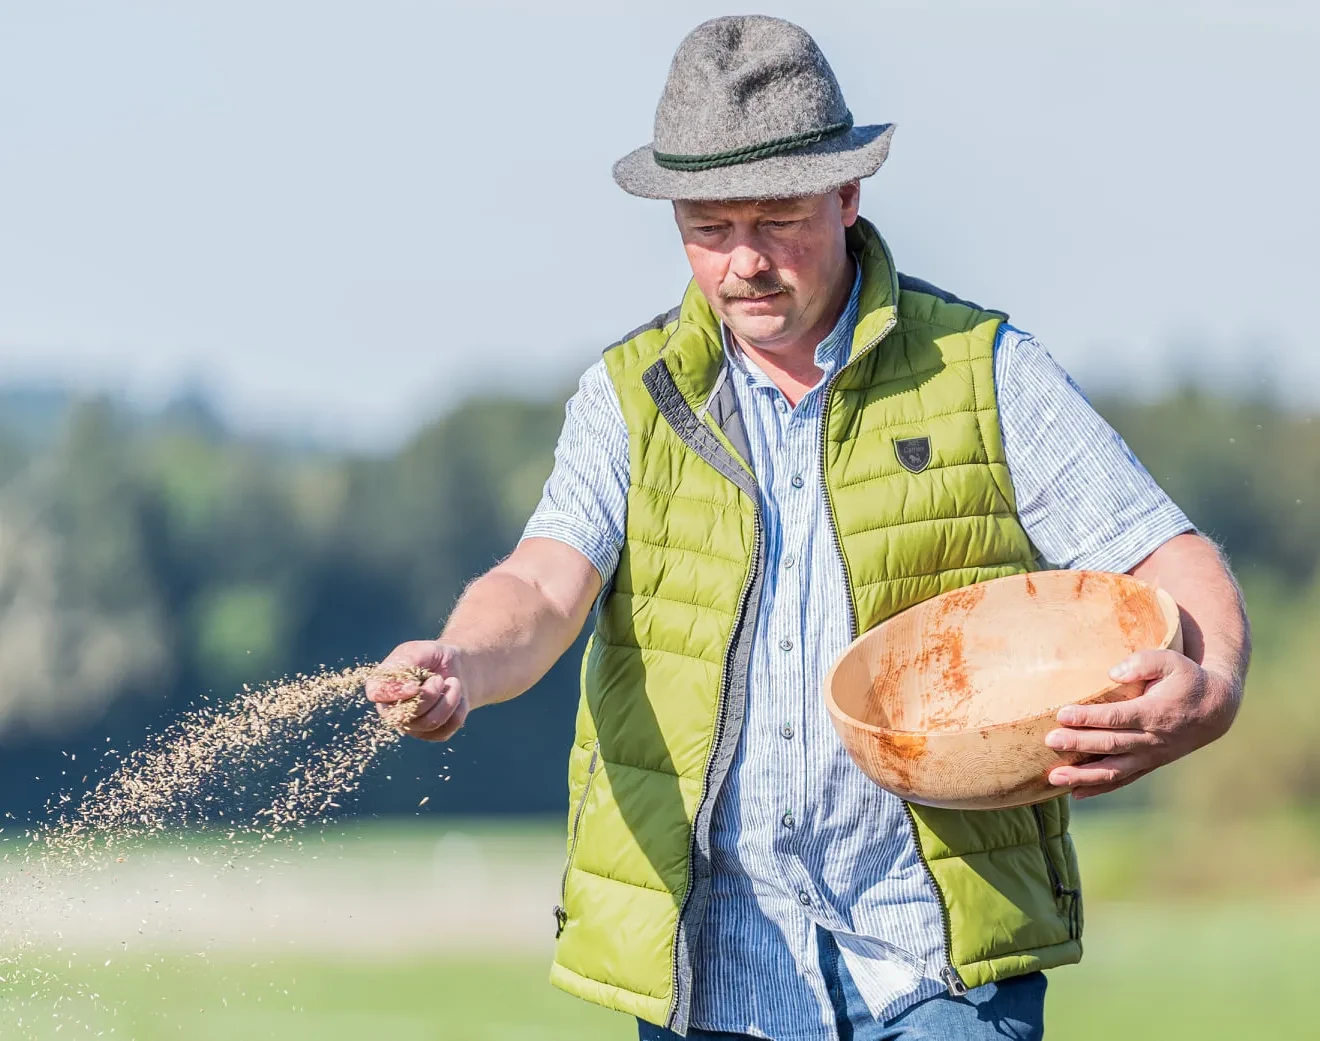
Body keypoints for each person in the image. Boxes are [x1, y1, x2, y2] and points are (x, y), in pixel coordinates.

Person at [365, 15, 1250, 1041]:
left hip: (938, 972)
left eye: (777, 218)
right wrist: (460, 664)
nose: (746, 262)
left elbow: (1165, 554)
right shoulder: (628, 398)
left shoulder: (988, 371)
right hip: (715, 980)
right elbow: (541, 581)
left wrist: (1215, 687)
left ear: (848, 193)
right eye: (710, 228)